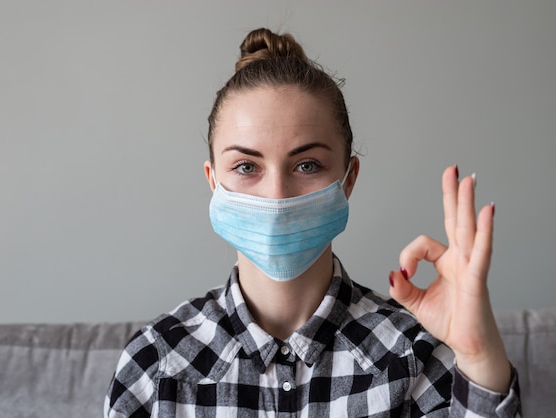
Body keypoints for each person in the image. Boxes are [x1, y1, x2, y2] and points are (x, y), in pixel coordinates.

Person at [105, 28, 521, 417]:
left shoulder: (416, 357)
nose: (277, 195)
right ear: (214, 182)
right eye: (247, 166)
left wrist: (479, 358)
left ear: (349, 179)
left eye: (307, 164)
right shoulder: (154, 366)